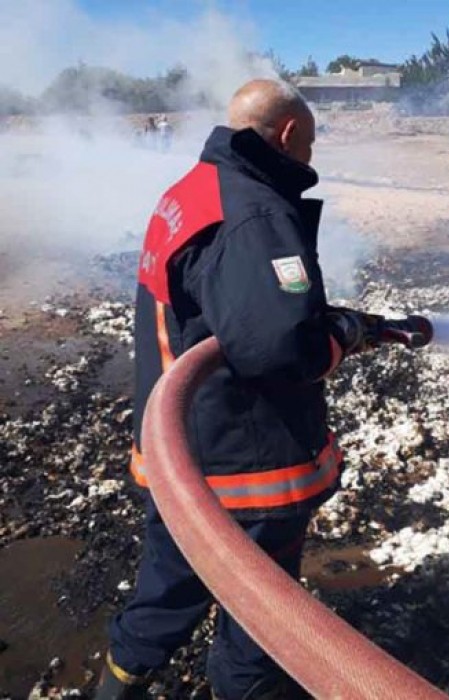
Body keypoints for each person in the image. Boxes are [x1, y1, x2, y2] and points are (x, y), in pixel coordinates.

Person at [96, 79, 424, 700]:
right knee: (258, 619)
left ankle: (112, 687)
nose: (309, 160)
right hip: (247, 473)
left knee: (163, 598)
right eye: (311, 146)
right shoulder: (256, 212)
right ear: (290, 135)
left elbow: (225, 310)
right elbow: (279, 350)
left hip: (183, 457)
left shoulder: (191, 192)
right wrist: (335, 336)